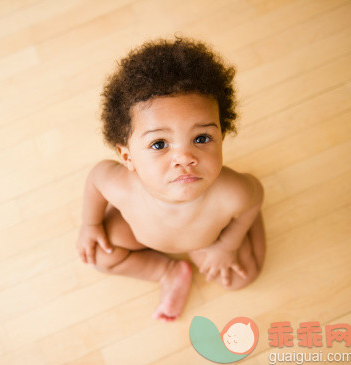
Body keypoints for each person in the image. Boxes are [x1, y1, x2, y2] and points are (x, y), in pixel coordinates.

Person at [76, 37, 266, 322]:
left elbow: (256, 197)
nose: (185, 157)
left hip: (206, 239)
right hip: (141, 231)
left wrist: (227, 245)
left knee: (242, 276)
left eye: (202, 138)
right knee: (101, 255)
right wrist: (90, 224)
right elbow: (95, 181)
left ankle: (227, 239)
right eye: (159, 144)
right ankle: (167, 271)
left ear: (222, 138)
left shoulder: (232, 191)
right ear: (127, 157)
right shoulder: (120, 185)